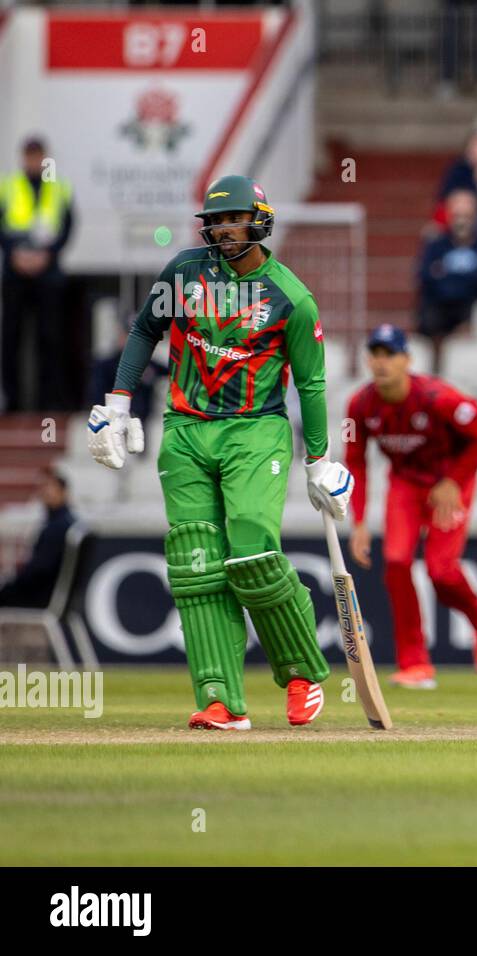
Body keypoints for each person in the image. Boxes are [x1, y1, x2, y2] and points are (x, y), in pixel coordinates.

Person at [85, 175, 356, 731]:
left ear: (259, 221)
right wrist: (118, 403)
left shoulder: (292, 297)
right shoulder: (184, 272)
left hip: (255, 431)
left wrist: (319, 461)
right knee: (196, 565)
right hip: (185, 429)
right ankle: (221, 700)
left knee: (252, 552)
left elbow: (311, 384)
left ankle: (301, 672)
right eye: (216, 221)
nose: (224, 229)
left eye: (235, 219)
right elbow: (144, 331)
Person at [344, 324, 477, 690]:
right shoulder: (360, 405)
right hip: (405, 483)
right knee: (397, 563)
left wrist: (454, 481)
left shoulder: (437, 397)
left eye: (390, 355)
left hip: (449, 483)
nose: (381, 363)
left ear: (407, 360)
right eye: (375, 355)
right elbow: (356, 461)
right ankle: (415, 664)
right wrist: (359, 521)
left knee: (441, 571)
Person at [0, 136, 75, 412]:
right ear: (23, 158)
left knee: (50, 337)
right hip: (15, 272)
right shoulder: (9, 185)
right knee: (12, 337)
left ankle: (48, 402)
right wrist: (15, 254)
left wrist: (48, 255)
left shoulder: (59, 187)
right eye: (30, 156)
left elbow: (67, 227)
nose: (34, 162)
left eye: (38, 156)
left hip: (48, 273)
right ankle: (13, 403)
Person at [416, 190, 477, 354]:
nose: (461, 222)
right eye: (457, 216)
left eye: (467, 216)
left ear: (476, 217)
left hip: (471, 306)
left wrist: (445, 275)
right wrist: (465, 278)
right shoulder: (436, 245)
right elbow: (425, 275)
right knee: (428, 313)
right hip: (440, 305)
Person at [0, 469, 76, 609]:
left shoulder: (58, 527)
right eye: (42, 487)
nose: (44, 492)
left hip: (44, 596)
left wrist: (11, 586)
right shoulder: (62, 522)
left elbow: (39, 571)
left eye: (49, 487)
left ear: (63, 491)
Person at [87, 325, 168, 452]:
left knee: (139, 444)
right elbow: (98, 388)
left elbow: (168, 370)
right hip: (115, 412)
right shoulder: (107, 364)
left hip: (141, 412)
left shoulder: (148, 362)